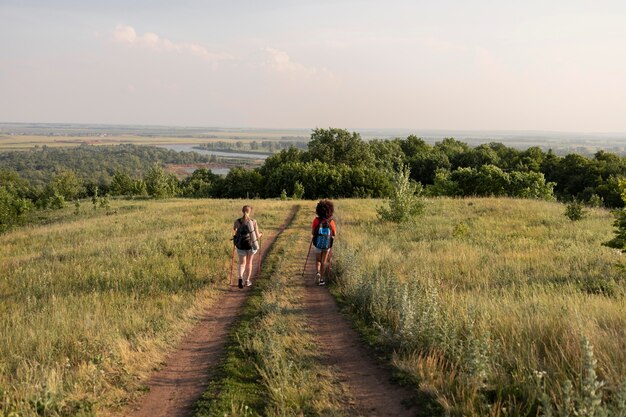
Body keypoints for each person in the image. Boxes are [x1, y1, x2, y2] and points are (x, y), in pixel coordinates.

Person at [233, 205, 263, 289]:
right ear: (250, 212)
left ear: (242, 211)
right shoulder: (253, 221)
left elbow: (235, 230)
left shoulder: (237, 221)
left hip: (240, 245)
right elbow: (257, 236)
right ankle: (247, 281)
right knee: (249, 263)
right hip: (251, 245)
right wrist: (261, 234)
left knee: (242, 264)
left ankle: (240, 278)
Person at [311, 199, 336, 286]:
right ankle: (321, 279)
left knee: (318, 259)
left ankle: (317, 273)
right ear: (330, 210)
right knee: (323, 261)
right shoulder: (331, 222)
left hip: (317, 243)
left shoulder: (316, 220)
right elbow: (334, 233)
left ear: (318, 210)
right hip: (327, 244)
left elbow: (313, 232)